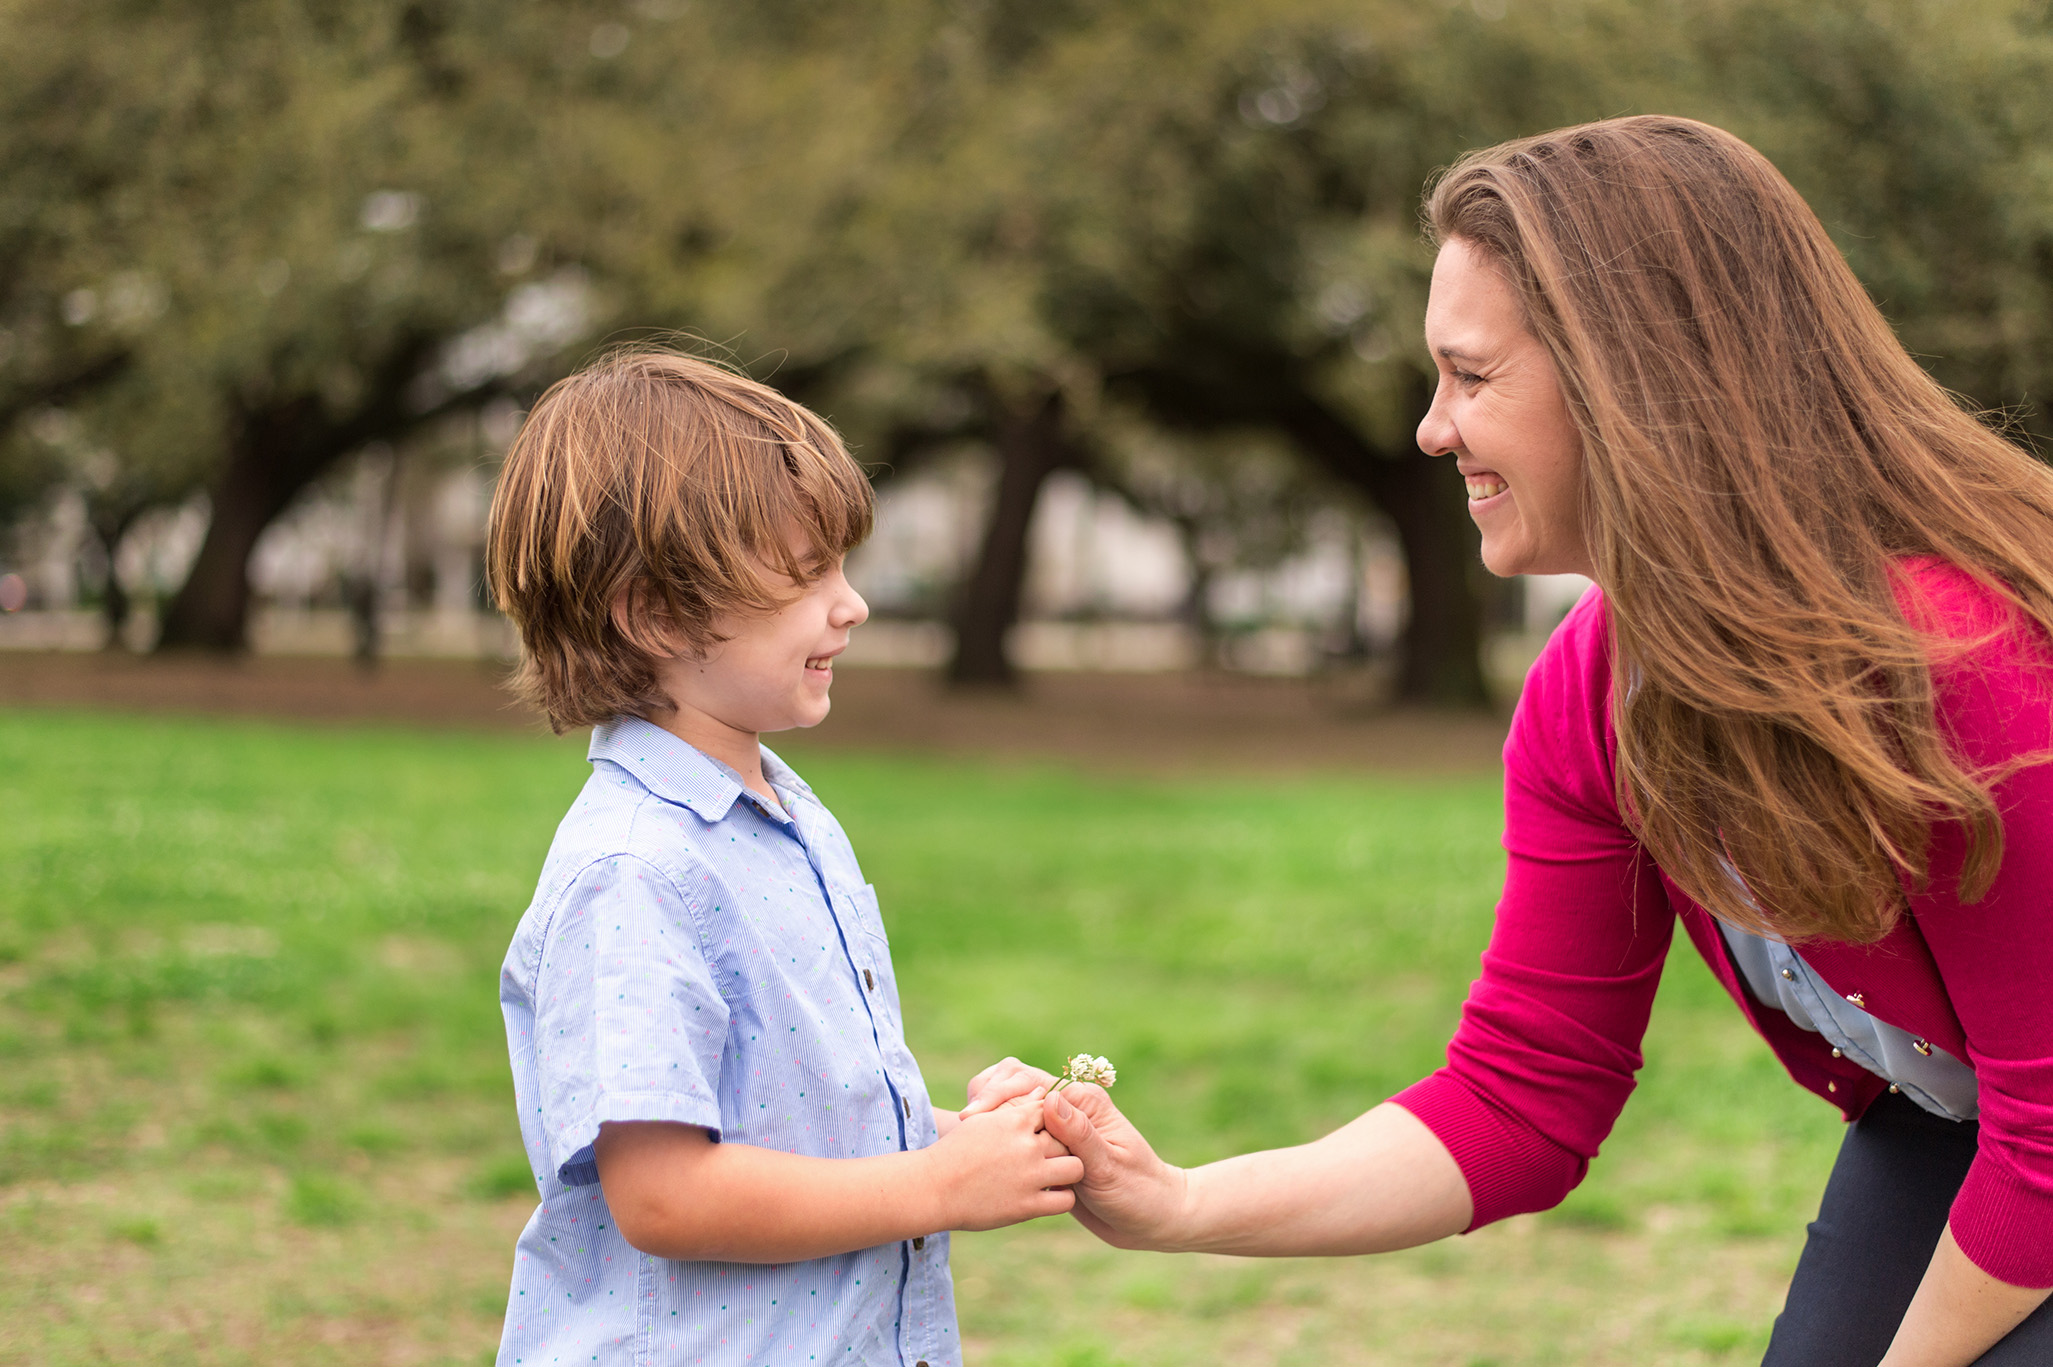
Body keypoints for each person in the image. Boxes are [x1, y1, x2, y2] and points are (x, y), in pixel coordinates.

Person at [976, 116, 2053, 1366]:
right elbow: (1523, 1090)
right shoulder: (1593, 689)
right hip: (1966, 1127)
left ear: (1635, 381)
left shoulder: (1960, 658)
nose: (1431, 430)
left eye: (1471, 377)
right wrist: (1181, 1202)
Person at [483, 349, 1082, 1367]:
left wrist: (976, 1137)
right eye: (807, 574)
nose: (850, 604)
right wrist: (937, 1186)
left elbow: (795, 1122)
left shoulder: (780, 810)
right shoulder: (634, 870)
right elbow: (666, 1192)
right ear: (656, 612)